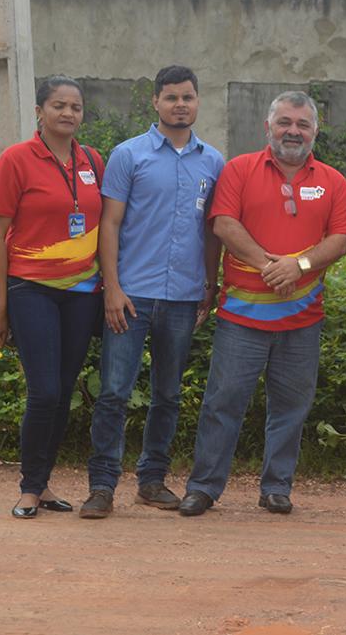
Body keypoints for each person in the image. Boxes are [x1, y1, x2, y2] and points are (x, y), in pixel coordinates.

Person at [178, 91, 346, 517]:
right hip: (242, 317)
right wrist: (270, 265)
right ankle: (203, 487)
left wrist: (301, 264)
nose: (293, 131)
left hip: (302, 319)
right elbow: (222, 223)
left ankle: (277, 487)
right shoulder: (239, 170)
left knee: (291, 406)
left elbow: (341, 239)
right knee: (223, 402)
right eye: (285, 123)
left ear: (315, 130)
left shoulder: (334, 181)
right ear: (268, 127)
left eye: (303, 124)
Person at [80, 66, 224, 518]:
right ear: (155, 103)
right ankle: (102, 486)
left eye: (187, 97)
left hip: (183, 297)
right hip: (131, 296)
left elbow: (213, 231)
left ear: (198, 101)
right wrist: (112, 287)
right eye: (170, 97)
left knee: (169, 394)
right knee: (114, 393)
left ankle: (152, 481)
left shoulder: (214, 162)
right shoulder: (129, 155)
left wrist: (210, 282)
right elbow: (111, 223)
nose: (180, 104)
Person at [0, 76, 104, 519]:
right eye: (58, 105)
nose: (68, 113)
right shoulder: (16, 160)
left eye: (75, 106)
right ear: (39, 111)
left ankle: (45, 482)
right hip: (30, 287)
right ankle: (30, 488)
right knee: (44, 390)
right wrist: (0, 306)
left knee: (64, 389)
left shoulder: (92, 160)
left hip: (83, 292)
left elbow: (104, 226)